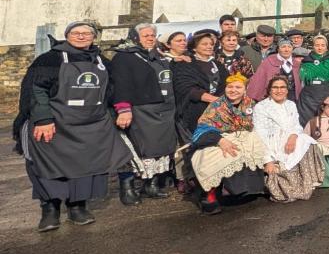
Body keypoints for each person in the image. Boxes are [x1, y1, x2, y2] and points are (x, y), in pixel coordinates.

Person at [14, 20, 132, 231]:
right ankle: (50, 209)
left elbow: (114, 90)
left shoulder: (102, 61)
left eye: (86, 33)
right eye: (76, 33)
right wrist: (43, 119)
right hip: (55, 124)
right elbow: (36, 89)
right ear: (67, 35)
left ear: (93, 37)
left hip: (91, 125)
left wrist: (121, 109)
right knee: (47, 165)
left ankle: (77, 207)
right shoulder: (50, 59)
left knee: (86, 168)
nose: (81, 36)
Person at [110, 23, 177, 205]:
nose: (150, 38)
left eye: (152, 35)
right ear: (135, 37)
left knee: (159, 150)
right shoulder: (124, 58)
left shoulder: (158, 56)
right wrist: (124, 110)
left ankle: (151, 185)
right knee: (137, 150)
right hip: (140, 110)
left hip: (163, 110)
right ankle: (128, 189)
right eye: (145, 35)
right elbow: (120, 85)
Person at [189, 73, 270, 214]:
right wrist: (220, 140)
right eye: (230, 87)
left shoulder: (252, 103)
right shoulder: (217, 105)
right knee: (212, 157)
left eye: (238, 87)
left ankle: (254, 187)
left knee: (260, 149)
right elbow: (202, 128)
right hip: (220, 137)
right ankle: (210, 194)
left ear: (245, 89)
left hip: (248, 137)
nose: (233, 90)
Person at [252, 77, 326, 202]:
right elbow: (259, 135)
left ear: (287, 90)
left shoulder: (291, 104)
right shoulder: (261, 107)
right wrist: (268, 160)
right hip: (272, 145)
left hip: (289, 141)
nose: (279, 90)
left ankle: (306, 183)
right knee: (285, 193)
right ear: (269, 90)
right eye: (275, 87)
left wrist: (293, 136)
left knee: (306, 140)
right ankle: (286, 185)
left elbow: (296, 125)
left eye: (282, 87)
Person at [173, 30, 223, 140]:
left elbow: (226, 84)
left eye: (211, 44)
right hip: (195, 111)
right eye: (204, 44)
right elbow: (188, 89)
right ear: (194, 48)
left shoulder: (218, 64)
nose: (209, 46)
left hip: (218, 112)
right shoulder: (186, 64)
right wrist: (215, 100)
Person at [297, 34, 329, 125]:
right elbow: (302, 80)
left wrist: (324, 88)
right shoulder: (306, 61)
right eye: (317, 45)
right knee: (306, 122)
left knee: (323, 122)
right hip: (307, 99)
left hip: (325, 96)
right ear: (313, 46)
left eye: (322, 45)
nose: (320, 48)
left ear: (326, 47)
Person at [247, 38, 301, 102]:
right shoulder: (269, 61)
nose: (286, 50)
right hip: (273, 98)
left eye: (289, 47)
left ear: (292, 49)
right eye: (283, 47)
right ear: (278, 49)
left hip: (292, 98)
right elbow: (258, 80)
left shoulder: (297, 64)